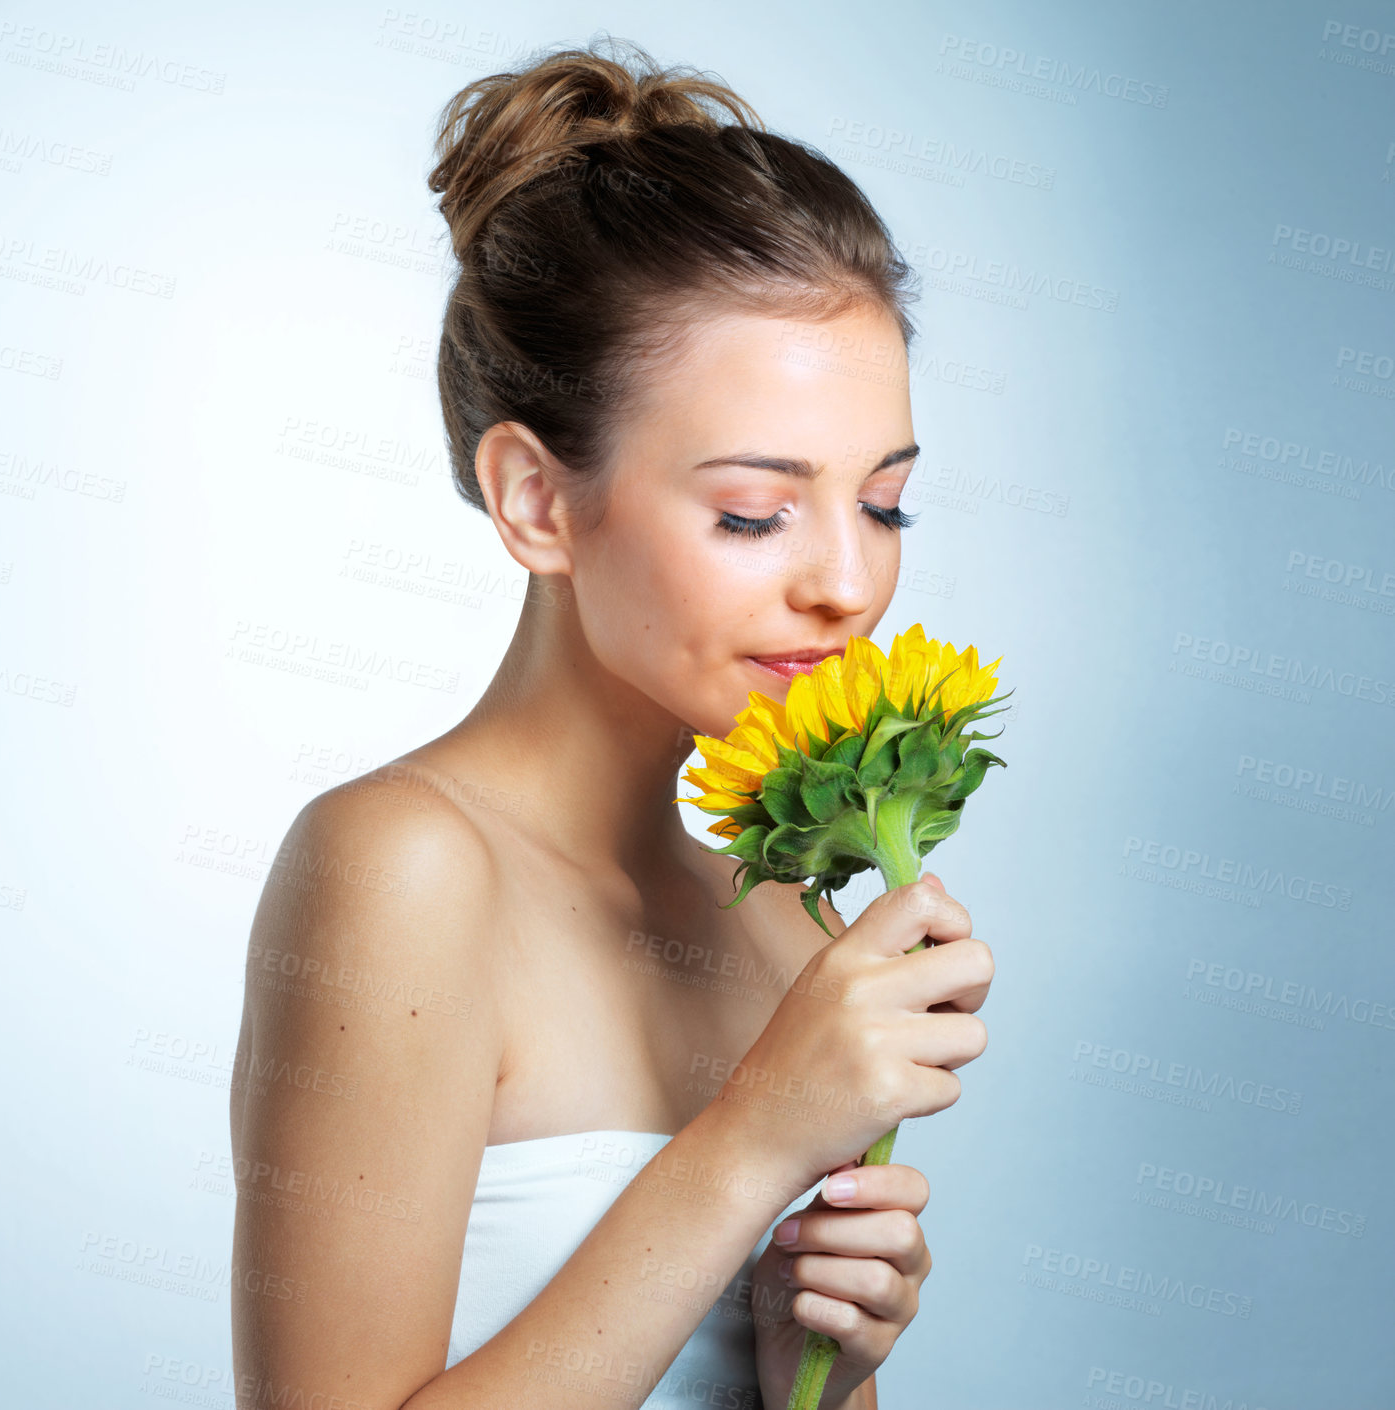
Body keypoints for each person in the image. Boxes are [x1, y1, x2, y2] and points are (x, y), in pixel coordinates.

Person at [229, 34, 994, 1410]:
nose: (846, 581)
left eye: (883, 502)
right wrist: (752, 1139)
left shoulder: (784, 921)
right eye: (755, 510)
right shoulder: (402, 868)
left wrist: (817, 1363)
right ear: (534, 499)